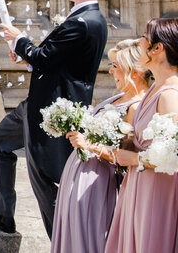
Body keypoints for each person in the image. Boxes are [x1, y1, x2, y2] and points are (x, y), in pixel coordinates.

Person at [0, 0, 111, 236]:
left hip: (52, 108)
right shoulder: (86, 18)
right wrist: (26, 59)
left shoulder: (84, 22)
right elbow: (54, 60)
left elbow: (44, 56)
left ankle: (63, 239)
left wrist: (19, 39)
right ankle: (4, 214)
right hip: (38, 102)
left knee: (45, 178)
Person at [50, 39, 149, 253]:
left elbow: (127, 158)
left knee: (88, 235)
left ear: (135, 71)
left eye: (116, 66)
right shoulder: (119, 97)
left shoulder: (136, 108)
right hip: (79, 173)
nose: (111, 71)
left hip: (98, 182)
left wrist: (90, 145)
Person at [105, 17, 178, 252]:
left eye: (145, 38)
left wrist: (135, 159)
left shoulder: (170, 95)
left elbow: (174, 155)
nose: (139, 41)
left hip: (159, 190)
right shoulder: (154, 89)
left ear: (158, 48)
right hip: (139, 182)